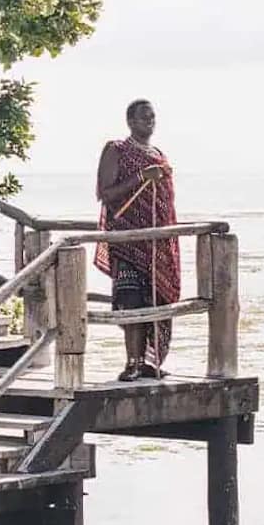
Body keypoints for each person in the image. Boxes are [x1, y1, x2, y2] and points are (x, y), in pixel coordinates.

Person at [94, 99, 181, 381]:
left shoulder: (158, 153)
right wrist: (141, 177)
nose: (149, 122)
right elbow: (106, 194)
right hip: (128, 241)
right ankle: (131, 363)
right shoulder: (117, 149)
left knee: (154, 301)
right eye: (144, 118)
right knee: (131, 301)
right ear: (130, 121)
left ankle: (147, 362)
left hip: (156, 243)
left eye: (153, 117)